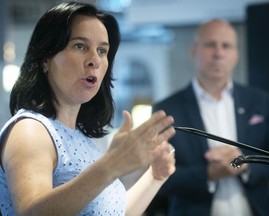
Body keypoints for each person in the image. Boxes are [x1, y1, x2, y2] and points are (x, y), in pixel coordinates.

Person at [0, 2, 176, 216]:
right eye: (80, 46)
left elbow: (112, 212)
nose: (95, 60)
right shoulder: (30, 130)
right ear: (46, 58)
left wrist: (155, 176)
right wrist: (110, 166)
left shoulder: (82, 137)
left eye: (102, 51)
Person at [147, 19, 269, 216]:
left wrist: (246, 165)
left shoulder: (260, 101)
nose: (218, 53)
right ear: (193, 51)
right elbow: (156, 177)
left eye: (226, 46)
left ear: (236, 55)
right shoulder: (167, 109)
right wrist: (209, 174)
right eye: (210, 44)